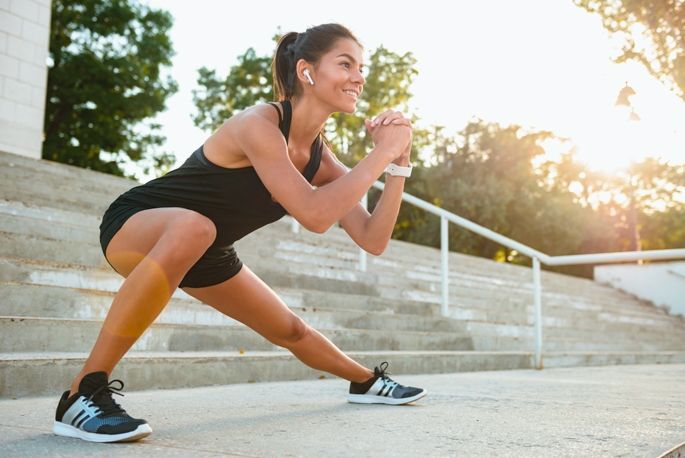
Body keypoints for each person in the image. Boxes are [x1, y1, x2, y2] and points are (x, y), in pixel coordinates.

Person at [52, 23, 426, 443]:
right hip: (138, 223)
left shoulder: (320, 159)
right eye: (346, 64)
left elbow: (373, 239)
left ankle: (367, 382)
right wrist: (381, 151)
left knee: (291, 329)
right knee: (196, 226)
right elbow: (314, 215)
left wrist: (398, 166)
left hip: (204, 247)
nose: (359, 76)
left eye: (362, 67)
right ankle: (81, 395)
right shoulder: (259, 124)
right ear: (306, 71)